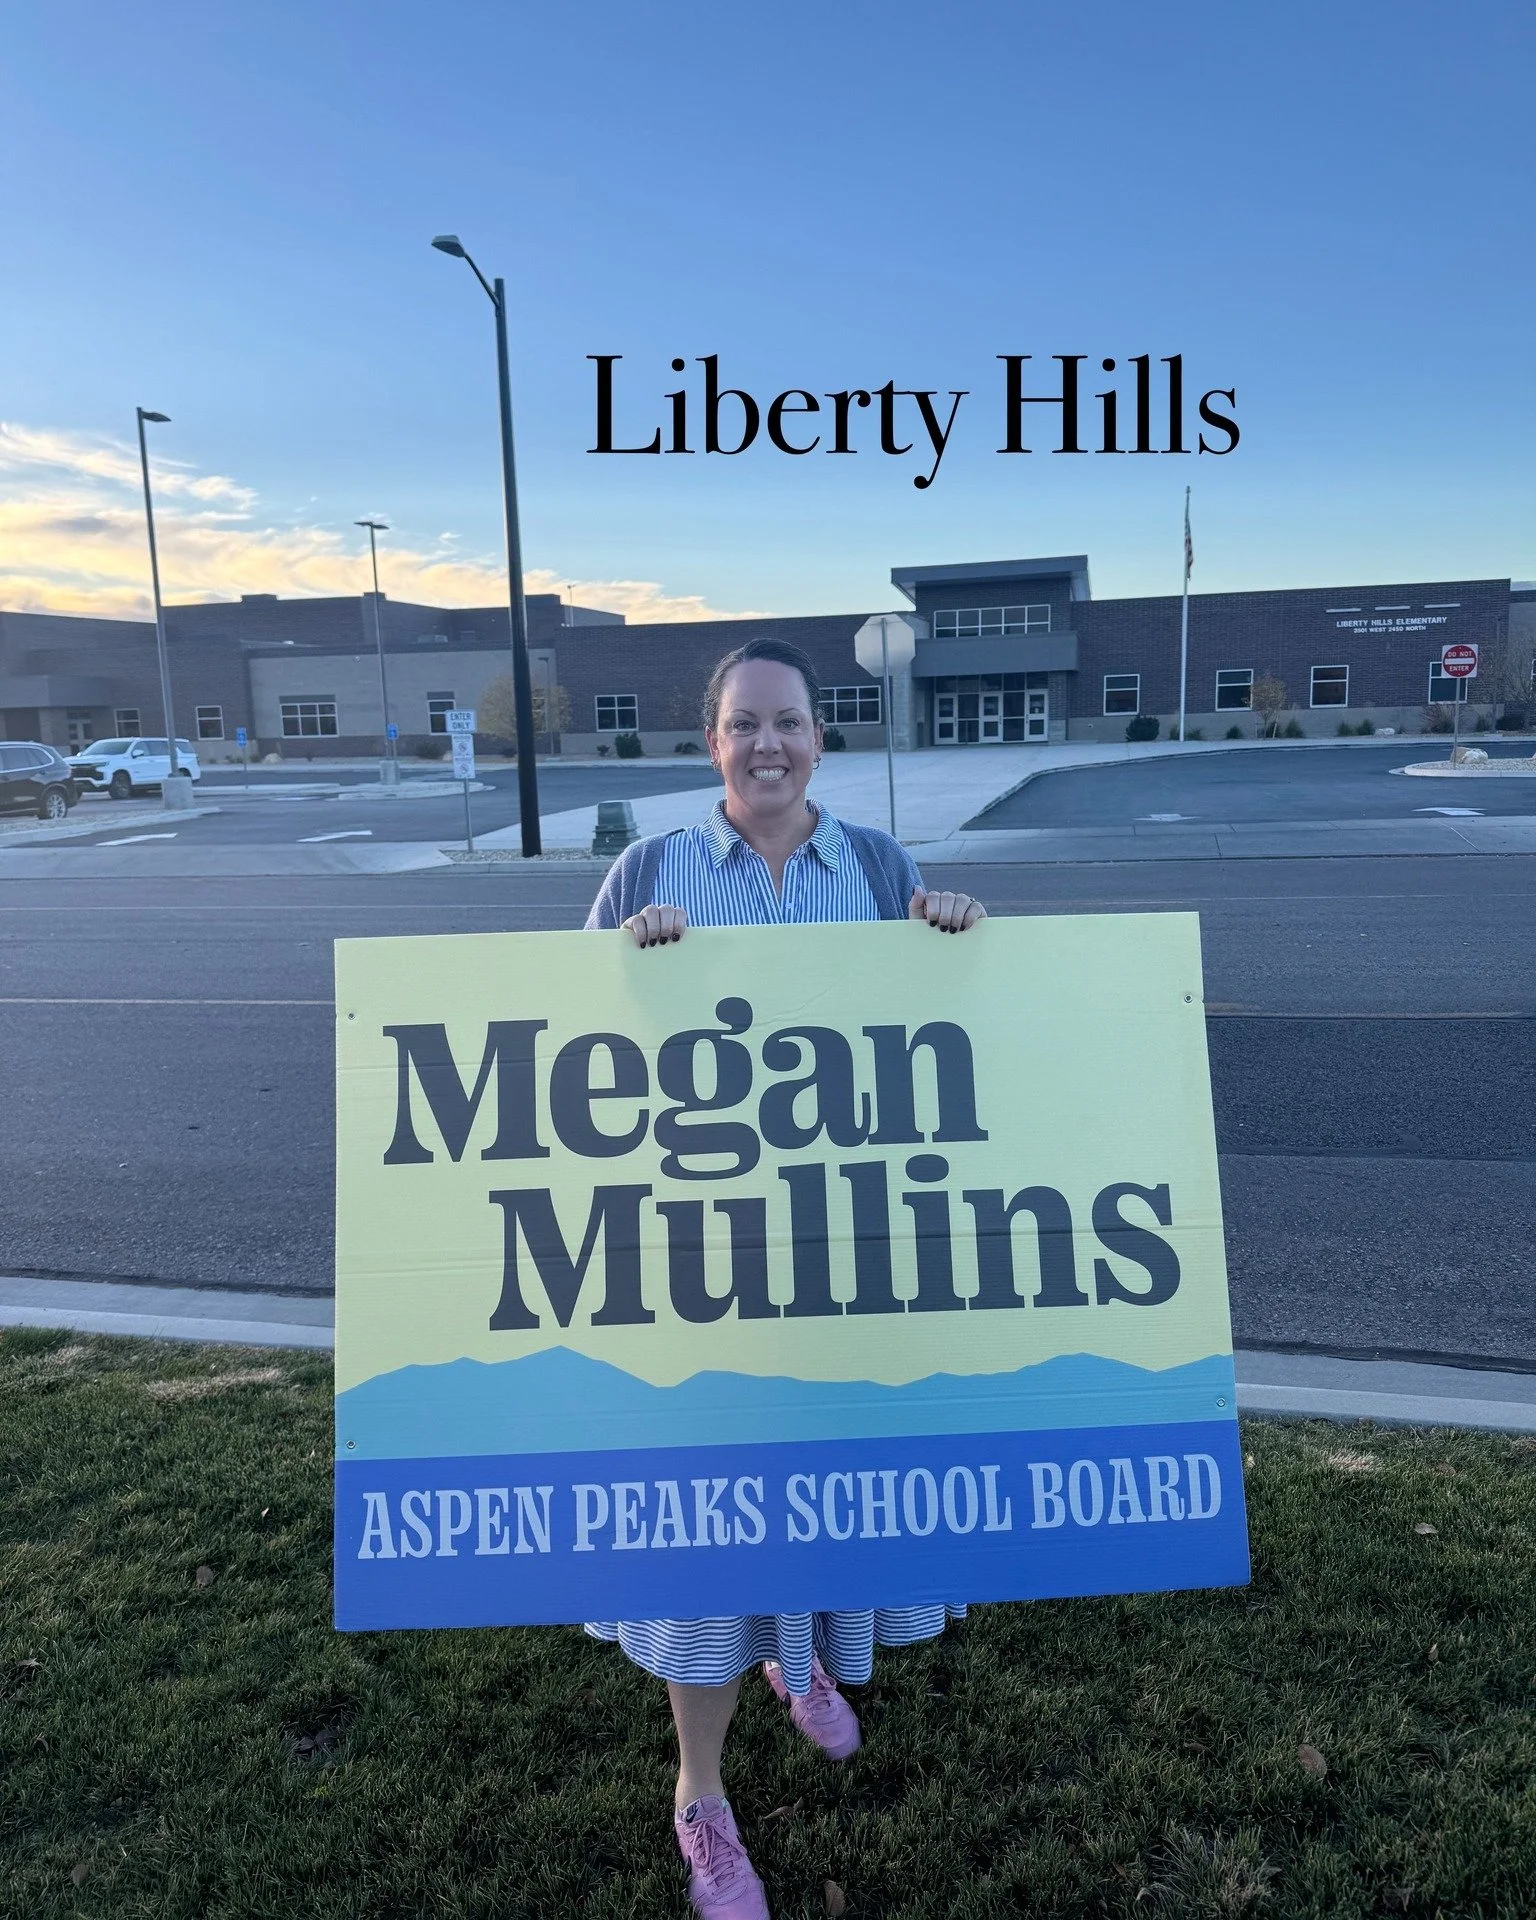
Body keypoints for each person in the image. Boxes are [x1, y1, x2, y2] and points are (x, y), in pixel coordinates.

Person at [584, 637, 987, 1920]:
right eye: (744, 724)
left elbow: (943, 1036)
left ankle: (805, 1659)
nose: (768, 744)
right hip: (697, 1263)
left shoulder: (874, 866)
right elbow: (556, 1046)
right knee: (709, 1527)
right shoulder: (648, 869)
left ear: (824, 738)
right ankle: (701, 1797)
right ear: (713, 740)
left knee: (823, 1487)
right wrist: (623, 966)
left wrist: (957, 937)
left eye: (791, 724)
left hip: (842, 1262)